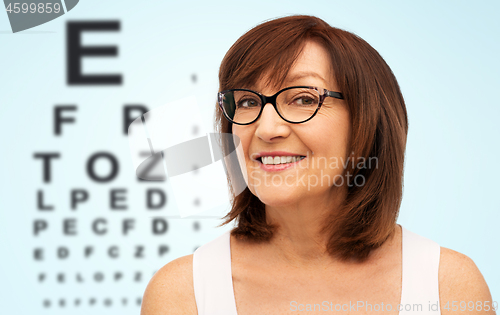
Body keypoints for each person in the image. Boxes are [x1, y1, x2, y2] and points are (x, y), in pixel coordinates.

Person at [141, 15, 495, 315]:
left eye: (303, 98)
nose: (266, 129)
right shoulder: (181, 294)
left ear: (367, 120)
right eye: (248, 101)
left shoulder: (448, 287)